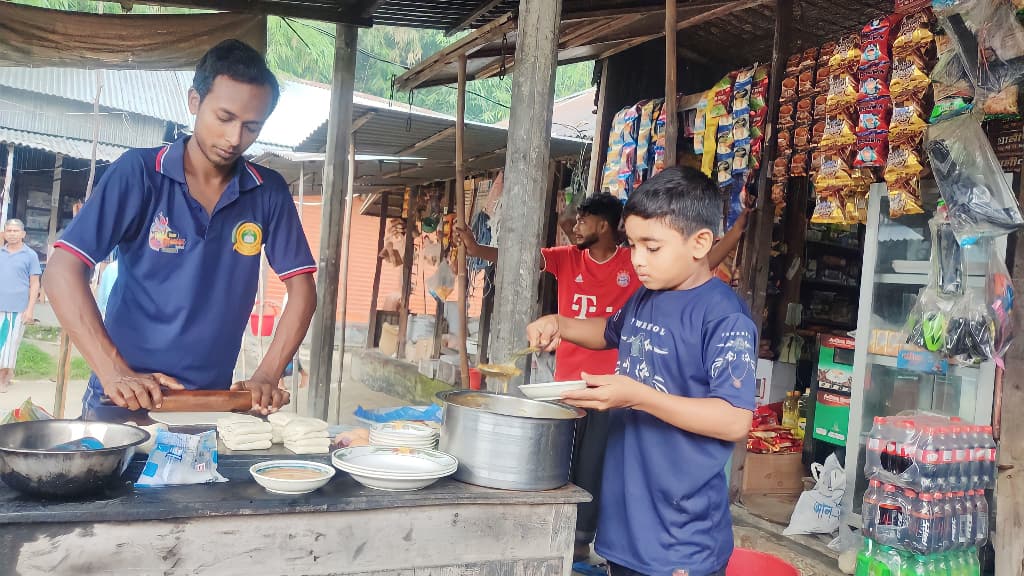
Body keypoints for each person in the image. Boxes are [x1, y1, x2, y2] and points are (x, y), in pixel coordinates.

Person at [457, 190, 752, 564]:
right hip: (624, 526)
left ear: (700, 243)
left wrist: (637, 396)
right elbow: (609, 332)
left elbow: (734, 420)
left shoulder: (724, 316)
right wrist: (560, 323)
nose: (638, 260)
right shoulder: (646, 296)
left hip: (681, 537)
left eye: (652, 248)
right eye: (633, 245)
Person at [44, 40, 317, 422]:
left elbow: (302, 289)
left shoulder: (266, 191)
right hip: (126, 400)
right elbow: (60, 272)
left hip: (212, 402)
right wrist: (114, 371)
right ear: (194, 101)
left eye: (251, 126)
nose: (235, 138)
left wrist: (268, 373)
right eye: (224, 117)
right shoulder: (139, 173)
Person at [458, 192, 641, 563]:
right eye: (573, 220)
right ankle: (549, 535)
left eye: (582, 220)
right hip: (563, 386)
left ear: (604, 226)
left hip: (607, 387)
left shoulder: (633, 263)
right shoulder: (566, 258)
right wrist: (476, 247)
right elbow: (515, 260)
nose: (574, 226)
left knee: (592, 466)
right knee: (557, 462)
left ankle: (579, 543)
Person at [0, 219, 41, 393]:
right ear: (4, 233)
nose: (12, 234)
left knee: (9, 347)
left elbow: (35, 283)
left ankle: (3, 380)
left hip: (17, 308)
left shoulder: (30, 255)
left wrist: (30, 309)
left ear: (23, 234)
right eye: (9, 230)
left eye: (16, 231)